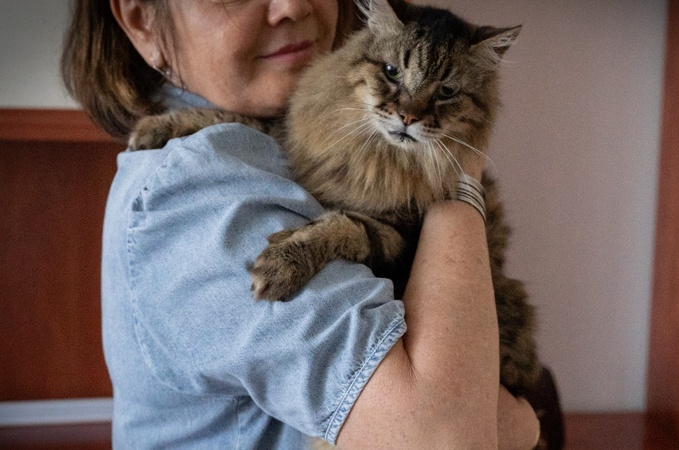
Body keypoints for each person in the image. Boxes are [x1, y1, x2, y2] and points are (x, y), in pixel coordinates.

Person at [62, 0, 544, 448]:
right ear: (143, 20)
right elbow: (450, 436)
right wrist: (463, 182)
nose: (293, 4)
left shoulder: (266, 128)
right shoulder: (197, 195)